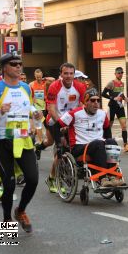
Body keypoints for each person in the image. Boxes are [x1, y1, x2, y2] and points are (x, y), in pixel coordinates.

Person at [0, 53, 40, 231]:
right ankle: (6, 219)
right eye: (14, 64)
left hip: (22, 138)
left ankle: (20, 210)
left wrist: (36, 115)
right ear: (4, 67)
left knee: (33, 179)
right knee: (10, 183)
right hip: (2, 140)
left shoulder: (26, 88)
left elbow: (29, 107)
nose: (18, 67)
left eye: (20, 64)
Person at [58, 88, 125, 187]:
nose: (96, 103)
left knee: (112, 142)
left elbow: (107, 130)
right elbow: (56, 125)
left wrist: (108, 142)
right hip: (80, 146)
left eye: (98, 100)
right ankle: (103, 178)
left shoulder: (102, 114)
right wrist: (60, 139)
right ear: (86, 102)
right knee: (98, 143)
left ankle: (113, 176)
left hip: (98, 145)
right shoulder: (75, 113)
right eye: (92, 100)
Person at [41, 63, 86, 193]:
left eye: (71, 73)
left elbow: (85, 103)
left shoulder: (80, 86)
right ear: (61, 74)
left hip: (72, 121)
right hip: (56, 120)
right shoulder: (54, 86)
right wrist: (61, 123)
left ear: (74, 74)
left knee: (75, 148)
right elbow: (51, 108)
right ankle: (54, 179)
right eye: (65, 73)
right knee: (61, 151)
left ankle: (55, 176)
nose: (68, 76)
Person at [102, 67, 128, 152]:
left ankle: (126, 145)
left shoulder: (122, 83)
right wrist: (113, 98)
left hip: (120, 107)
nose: (120, 74)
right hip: (112, 106)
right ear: (115, 74)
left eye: (122, 73)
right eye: (119, 73)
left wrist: (124, 98)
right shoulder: (111, 83)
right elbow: (103, 94)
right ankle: (106, 143)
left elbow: (121, 94)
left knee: (124, 126)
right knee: (109, 126)